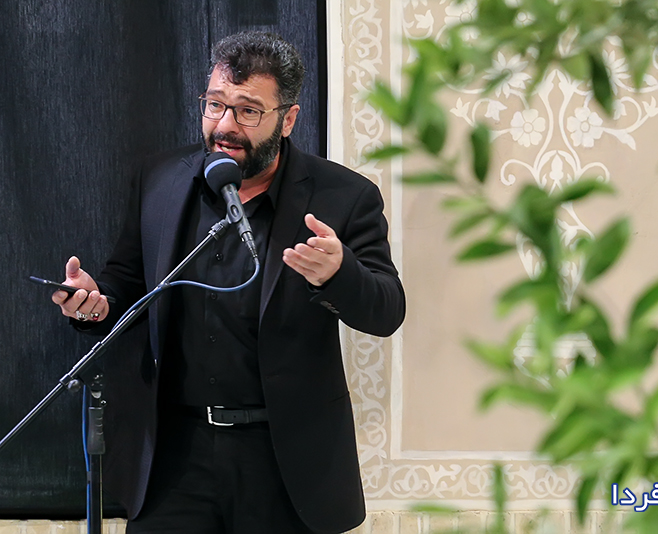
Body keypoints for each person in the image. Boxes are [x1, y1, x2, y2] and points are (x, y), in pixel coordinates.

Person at [51, 31, 405, 534]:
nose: (225, 126)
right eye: (215, 104)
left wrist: (339, 273)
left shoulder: (343, 196)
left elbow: (387, 311)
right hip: (173, 455)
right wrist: (95, 304)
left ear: (288, 119)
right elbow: (126, 283)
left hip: (284, 461)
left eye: (248, 111)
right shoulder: (159, 179)